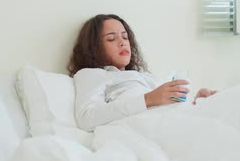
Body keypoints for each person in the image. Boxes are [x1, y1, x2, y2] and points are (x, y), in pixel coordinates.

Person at [68, 14, 217, 132]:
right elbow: (86, 118)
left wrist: (199, 101)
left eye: (125, 37)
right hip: (155, 126)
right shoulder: (91, 74)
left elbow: (172, 108)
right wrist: (148, 99)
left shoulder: (144, 77)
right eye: (111, 39)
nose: (122, 42)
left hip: (179, 120)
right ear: (94, 48)